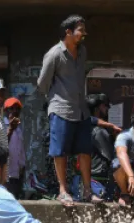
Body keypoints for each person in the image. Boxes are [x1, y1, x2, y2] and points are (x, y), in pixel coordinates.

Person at [37, 15, 97, 206]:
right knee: (60, 151)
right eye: (80, 30)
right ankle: (63, 192)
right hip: (61, 109)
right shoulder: (54, 54)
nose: (84, 34)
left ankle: (88, 191)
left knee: (85, 150)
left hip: (81, 110)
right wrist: (55, 100)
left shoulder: (82, 51)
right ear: (68, 32)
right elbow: (42, 83)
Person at [87, 93, 116, 200]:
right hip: (98, 177)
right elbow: (111, 157)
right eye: (105, 105)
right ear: (97, 108)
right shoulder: (99, 131)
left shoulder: (85, 128)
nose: (108, 108)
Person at [2, 97, 25, 198]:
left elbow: (20, 149)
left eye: (17, 109)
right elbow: (1, 145)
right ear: (6, 111)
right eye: (12, 108)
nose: (15, 111)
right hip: (7, 173)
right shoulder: (2, 126)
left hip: (17, 172)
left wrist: (23, 165)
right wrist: (10, 129)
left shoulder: (19, 128)